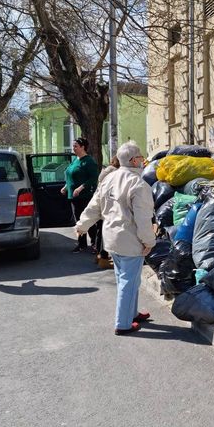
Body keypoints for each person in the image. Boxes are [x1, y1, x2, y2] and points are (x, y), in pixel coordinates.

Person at [75, 142, 156, 335]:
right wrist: (149, 241)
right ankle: (123, 323)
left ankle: (132, 313)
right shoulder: (138, 184)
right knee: (129, 280)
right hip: (130, 239)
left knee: (126, 278)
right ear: (133, 160)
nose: (142, 161)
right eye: (140, 157)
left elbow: (94, 206)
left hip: (111, 237)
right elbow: (143, 219)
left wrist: (82, 226)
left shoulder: (109, 178)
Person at [61, 137, 99, 253]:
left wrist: (81, 187)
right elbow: (71, 175)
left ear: (83, 147)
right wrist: (66, 187)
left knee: (88, 220)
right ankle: (81, 244)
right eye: (73, 146)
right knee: (78, 220)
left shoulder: (88, 161)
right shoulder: (75, 160)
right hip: (73, 197)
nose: (73, 148)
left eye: (76, 146)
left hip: (85, 196)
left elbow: (93, 178)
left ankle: (95, 244)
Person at [93, 155, 120, 270]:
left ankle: (99, 256)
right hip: (107, 207)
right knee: (105, 234)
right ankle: (103, 258)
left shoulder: (106, 171)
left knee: (100, 231)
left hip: (100, 205)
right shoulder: (114, 173)